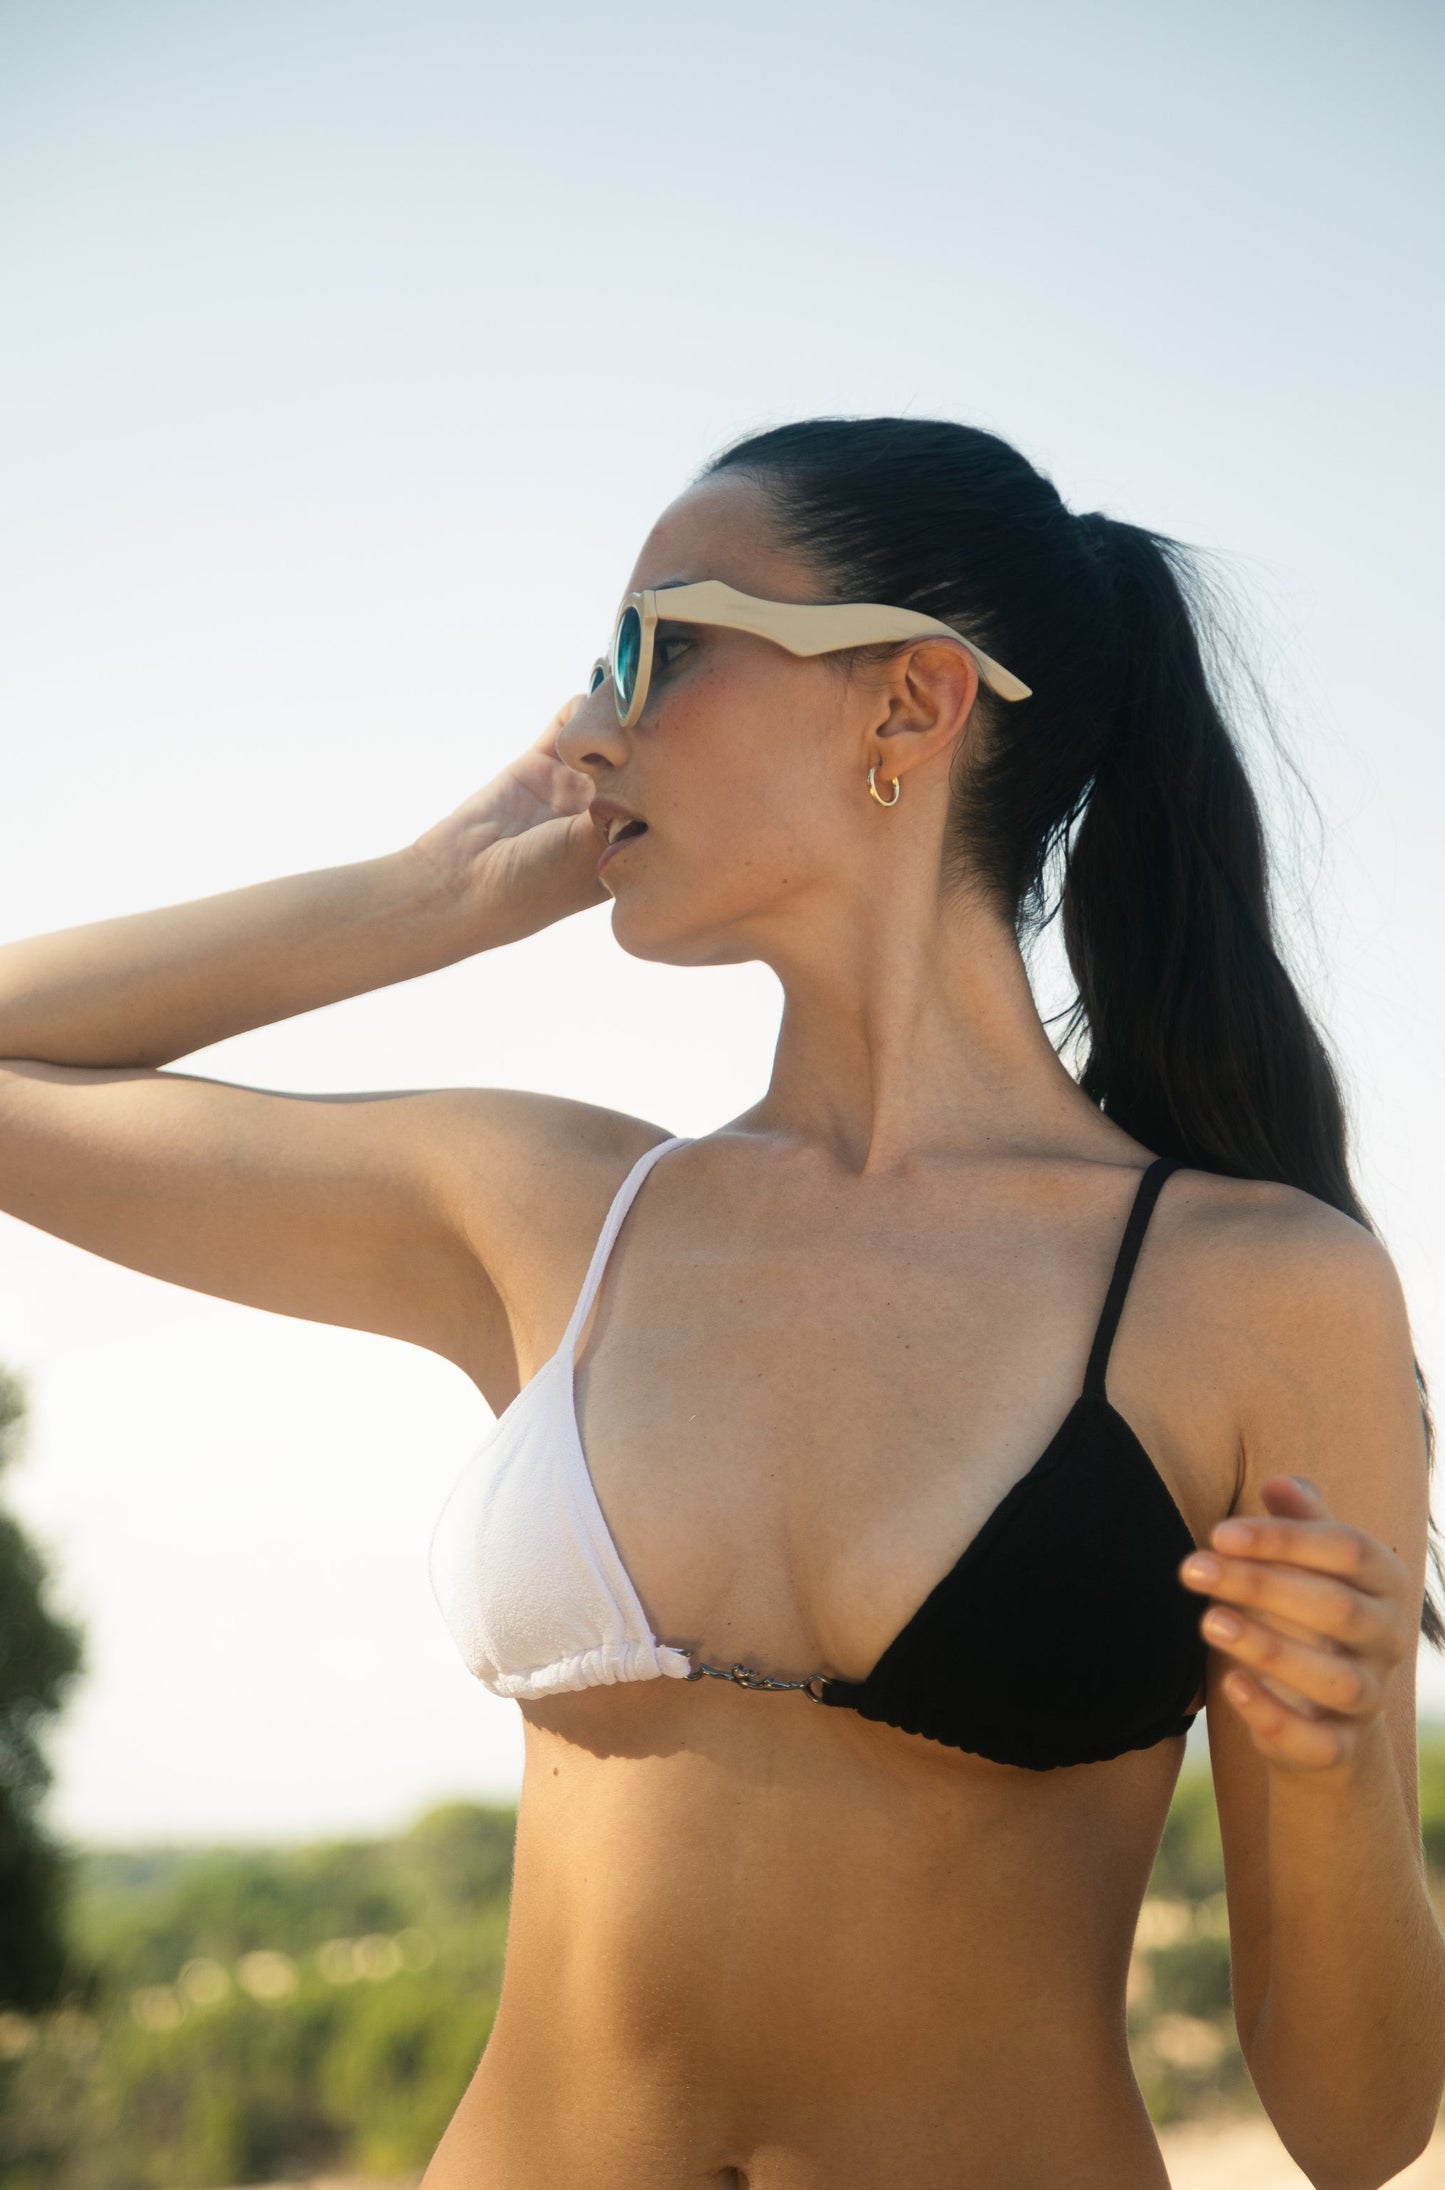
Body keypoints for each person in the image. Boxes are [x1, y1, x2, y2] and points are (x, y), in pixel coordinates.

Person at [2, 414, 1442, 2189]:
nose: (588, 720)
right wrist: (428, 890)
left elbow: (1360, 2133)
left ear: (907, 704)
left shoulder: (1256, 1290)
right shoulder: (554, 1216)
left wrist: (1327, 1768)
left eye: (656, 645)